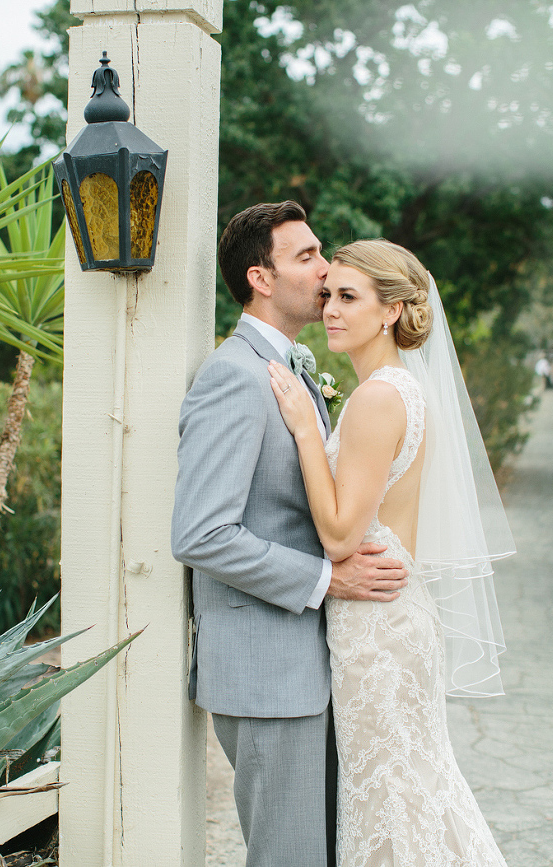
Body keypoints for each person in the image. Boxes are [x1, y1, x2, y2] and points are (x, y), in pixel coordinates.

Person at [171, 203, 409, 867]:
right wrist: (327, 578)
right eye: (305, 256)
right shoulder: (233, 375)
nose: (325, 267)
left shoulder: (297, 370)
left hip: (308, 666)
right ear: (261, 278)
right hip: (265, 674)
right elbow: (200, 532)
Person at [268, 239, 515, 866]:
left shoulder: (379, 398)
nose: (330, 309)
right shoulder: (401, 388)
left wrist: (303, 428)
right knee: (409, 791)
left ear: (392, 311)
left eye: (349, 298)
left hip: (377, 629)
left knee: (395, 798)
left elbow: (342, 535)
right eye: (329, 294)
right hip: (388, 618)